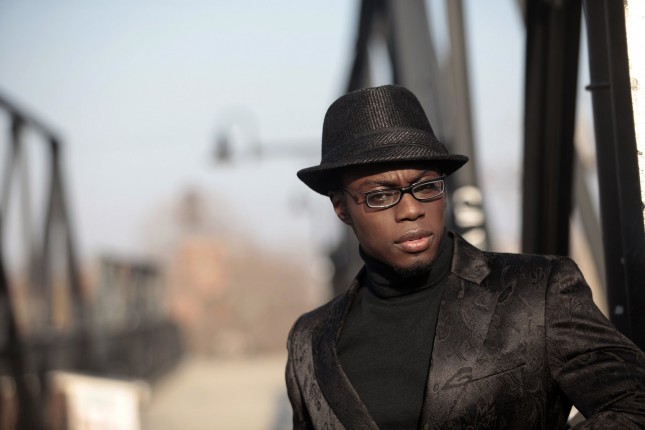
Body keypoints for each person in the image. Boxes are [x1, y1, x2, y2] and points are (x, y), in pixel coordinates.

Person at [285, 84, 645, 429]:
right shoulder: (309, 341)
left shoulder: (538, 292)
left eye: (426, 186)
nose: (411, 210)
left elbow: (635, 404)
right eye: (381, 195)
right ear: (341, 208)